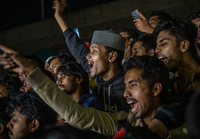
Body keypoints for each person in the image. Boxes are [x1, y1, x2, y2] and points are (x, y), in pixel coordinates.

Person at [0, 45, 185, 138]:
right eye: (126, 86)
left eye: (133, 85)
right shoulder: (122, 121)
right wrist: (30, 71)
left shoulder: (184, 123)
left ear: (156, 88)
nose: (126, 93)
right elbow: (77, 114)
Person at [154, 18, 200, 99]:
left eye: (164, 44)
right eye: (157, 45)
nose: (156, 50)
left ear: (183, 46)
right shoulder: (173, 83)